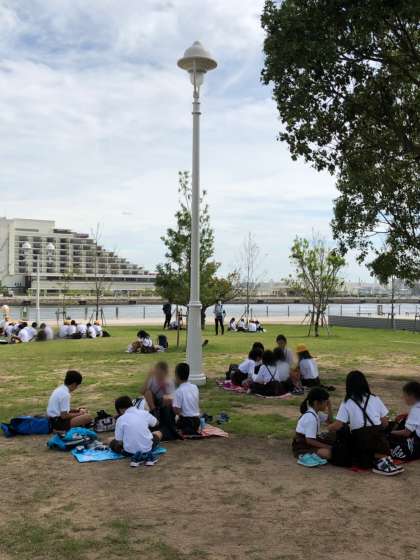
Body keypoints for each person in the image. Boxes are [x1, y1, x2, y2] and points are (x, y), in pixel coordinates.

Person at [327, 370, 403, 476]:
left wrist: (329, 427)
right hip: (381, 441)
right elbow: (385, 423)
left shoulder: (347, 402)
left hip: (362, 441)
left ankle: (378, 459)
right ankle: (382, 458)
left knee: (347, 443)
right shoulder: (375, 398)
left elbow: (338, 425)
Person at [110, 395, 162, 467]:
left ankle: (134, 455)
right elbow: (156, 423)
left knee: (110, 440)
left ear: (120, 409)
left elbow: (119, 441)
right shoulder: (144, 413)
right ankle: (147, 455)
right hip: (148, 449)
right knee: (158, 433)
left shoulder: (120, 419)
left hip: (129, 452)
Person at [292, 387, 334, 466]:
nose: (326, 403)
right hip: (302, 445)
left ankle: (315, 453)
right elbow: (309, 440)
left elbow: (330, 421)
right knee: (328, 453)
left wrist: (329, 406)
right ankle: (304, 456)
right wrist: (327, 446)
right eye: (325, 402)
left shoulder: (316, 413)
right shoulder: (311, 417)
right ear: (316, 402)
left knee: (333, 439)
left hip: (310, 441)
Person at [141, 362, 179, 440]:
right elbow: (142, 391)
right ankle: (155, 414)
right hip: (153, 404)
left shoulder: (169, 382)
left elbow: (172, 397)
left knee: (167, 398)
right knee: (148, 392)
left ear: (165, 373)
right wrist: (148, 378)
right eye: (157, 373)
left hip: (165, 405)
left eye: (161, 373)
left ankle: (165, 421)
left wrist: (165, 390)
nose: (159, 376)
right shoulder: (152, 380)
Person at [389, 381, 420, 461]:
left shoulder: (415, 410)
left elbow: (406, 433)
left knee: (393, 448)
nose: (403, 398)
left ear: (411, 396)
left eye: (404, 395)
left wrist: (390, 432)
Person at [173, 362, 201, 435]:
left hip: (185, 421)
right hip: (197, 421)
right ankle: (189, 430)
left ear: (176, 375)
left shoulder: (179, 391)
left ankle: (184, 430)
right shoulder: (195, 387)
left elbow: (176, 411)